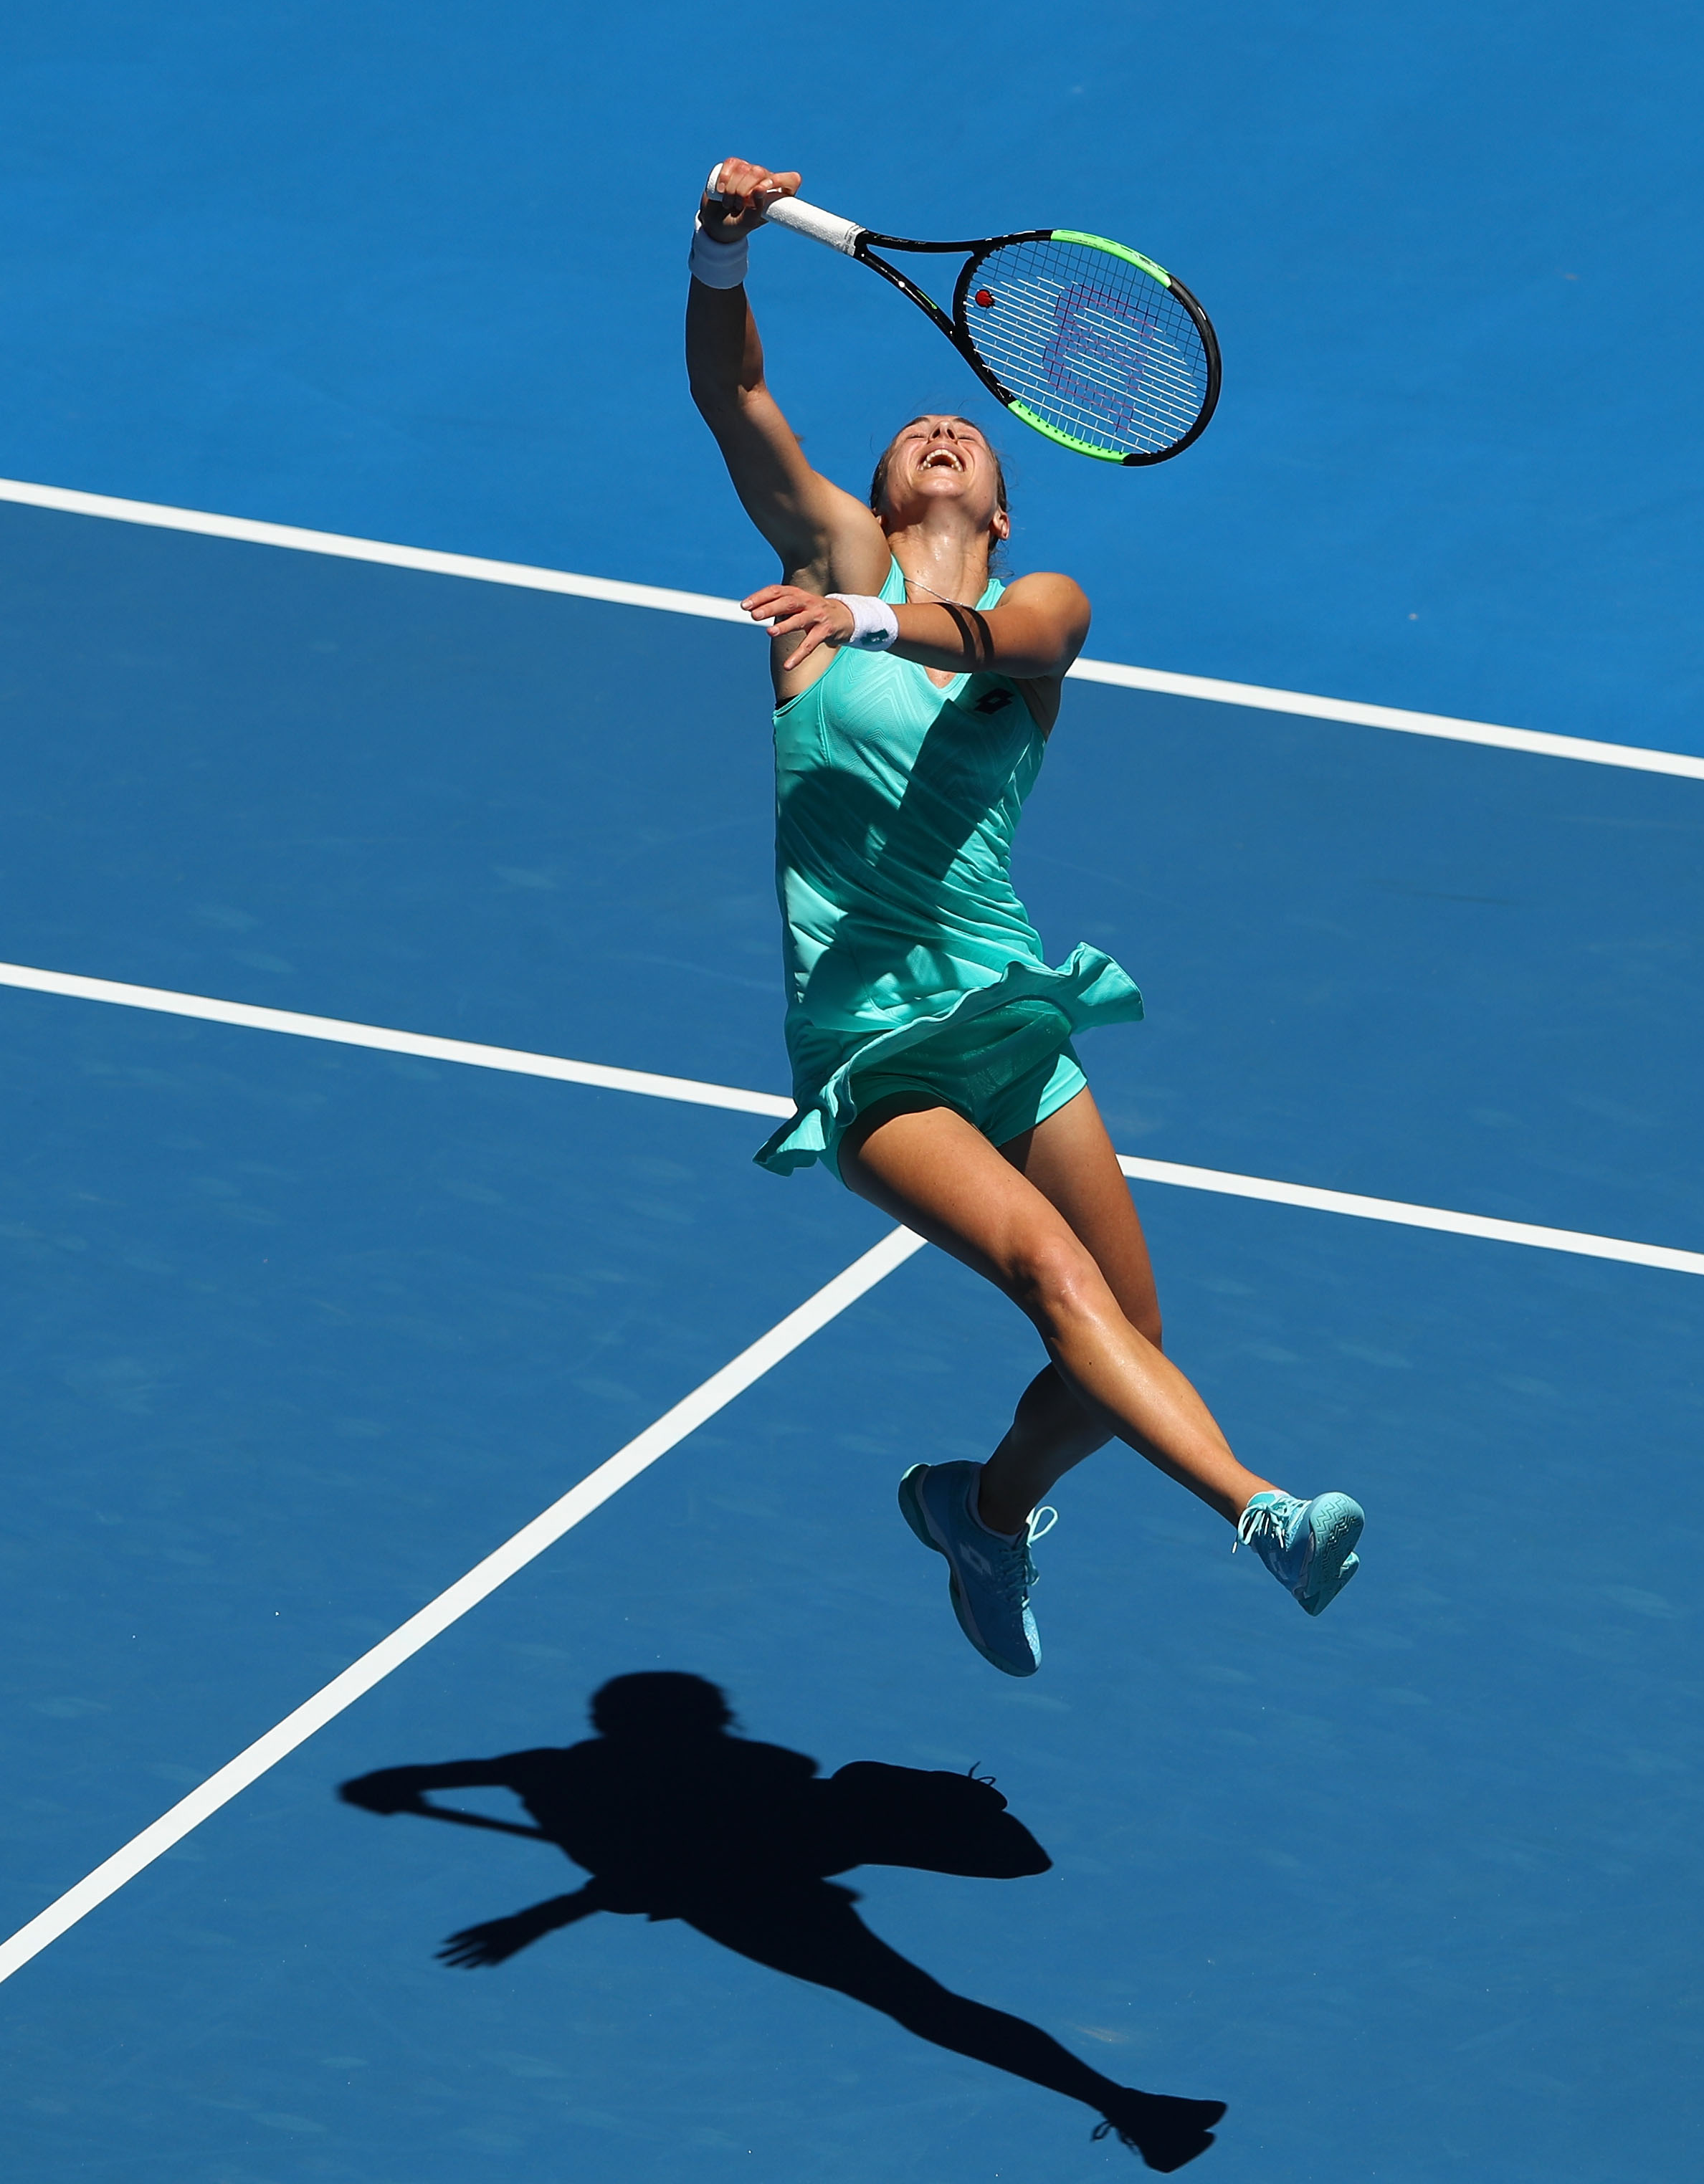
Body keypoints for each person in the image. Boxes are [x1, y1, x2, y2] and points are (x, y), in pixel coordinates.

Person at [685, 157, 1365, 1679]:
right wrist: (717, 250)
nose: (943, 428)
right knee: (1062, 1287)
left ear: (1003, 506)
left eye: (971, 439)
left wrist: (862, 619)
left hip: (1007, 1012)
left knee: (1123, 1346)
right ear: (870, 499)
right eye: (917, 432)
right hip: (872, 1054)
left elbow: (1013, 635)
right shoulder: (824, 573)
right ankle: (1264, 1515)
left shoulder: (1036, 608)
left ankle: (981, 1516)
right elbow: (736, 403)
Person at [343, 1672, 1228, 2172]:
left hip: (755, 1890)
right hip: (765, 1887)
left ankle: (1136, 2110)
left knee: (925, 2002)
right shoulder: (739, 1764)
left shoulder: (566, 1771)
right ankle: (1134, 2110)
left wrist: (526, 1908)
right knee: (926, 2003)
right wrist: (413, 1791)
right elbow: (456, 1778)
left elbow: (440, 1780)